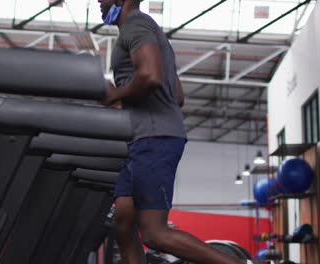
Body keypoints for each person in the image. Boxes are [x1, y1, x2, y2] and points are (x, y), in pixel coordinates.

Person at [99, 1, 261, 264]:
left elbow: (150, 76)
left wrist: (115, 93)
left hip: (153, 138)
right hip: (143, 137)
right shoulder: (146, 30)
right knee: (124, 224)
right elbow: (179, 95)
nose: (98, 1)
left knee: (154, 233)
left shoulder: (135, 25)